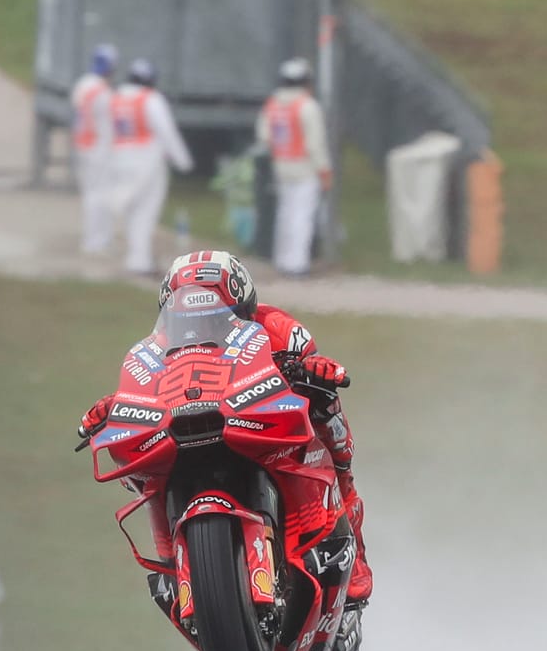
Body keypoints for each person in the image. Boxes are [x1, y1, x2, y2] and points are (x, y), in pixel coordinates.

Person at [78, 250, 373, 603]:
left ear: (243, 306)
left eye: (215, 319)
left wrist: (315, 372)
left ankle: (352, 552)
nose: (198, 330)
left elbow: (313, 365)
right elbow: (140, 387)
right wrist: (113, 408)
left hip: (257, 421)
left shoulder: (279, 329)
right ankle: (173, 562)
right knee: (141, 473)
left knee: (328, 423)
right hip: (188, 429)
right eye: (186, 321)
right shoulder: (151, 351)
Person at [109, 58, 193, 276]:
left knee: (131, 211)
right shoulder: (151, 99)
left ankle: (136, 257)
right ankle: (139, 261)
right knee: (145, 211)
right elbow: (167, 132)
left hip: (120, 157)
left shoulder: (117, 98)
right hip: (147, 160)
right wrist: (183, 161)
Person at [256, 57, 332, 276]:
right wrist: (324, 170)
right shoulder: (307, 106)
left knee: (285, 213)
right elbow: (315, 144)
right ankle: (297, 264)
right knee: (302, 216)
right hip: (305, 167)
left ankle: (283, 259)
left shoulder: (273, 104)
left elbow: (264, 136)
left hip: (281, 165)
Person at [70, 44, 118, 255]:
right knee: (99, 195)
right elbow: (109, 122)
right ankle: (97, 240)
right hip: (99, 147)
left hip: (82, 144)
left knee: (90, 193)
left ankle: (95, 239)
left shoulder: (82, 84)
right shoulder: (103, 91)